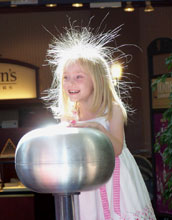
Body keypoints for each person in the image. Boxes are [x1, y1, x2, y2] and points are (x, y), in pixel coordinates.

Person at [44, 23, 156, 220]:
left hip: (114, 178)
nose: (71, 83)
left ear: (96, 79)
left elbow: (117, 149)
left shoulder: (111, 109)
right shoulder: (70, 113)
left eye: (79, 77)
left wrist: (97, 129)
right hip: (85, 180)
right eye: (66, 77)